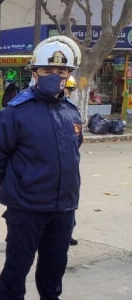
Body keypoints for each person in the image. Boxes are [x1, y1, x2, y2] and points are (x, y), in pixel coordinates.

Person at [0, 36, 87, 300]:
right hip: (27, 206)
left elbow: (74, 151)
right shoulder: (17, 112)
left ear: (69, 74)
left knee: (55, 262)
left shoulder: (71, 111)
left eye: (62, 72)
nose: (56, 77)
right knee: (18, 264)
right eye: (47, 72)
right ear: (35, 73)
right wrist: (17, 187)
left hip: (64, 205)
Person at [63, 75, 79, 246]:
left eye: (69, 90)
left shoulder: (71, 110)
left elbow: (77, 140)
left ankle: (67, 233)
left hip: (68, 172)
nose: (67, 93)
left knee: (68, 208)